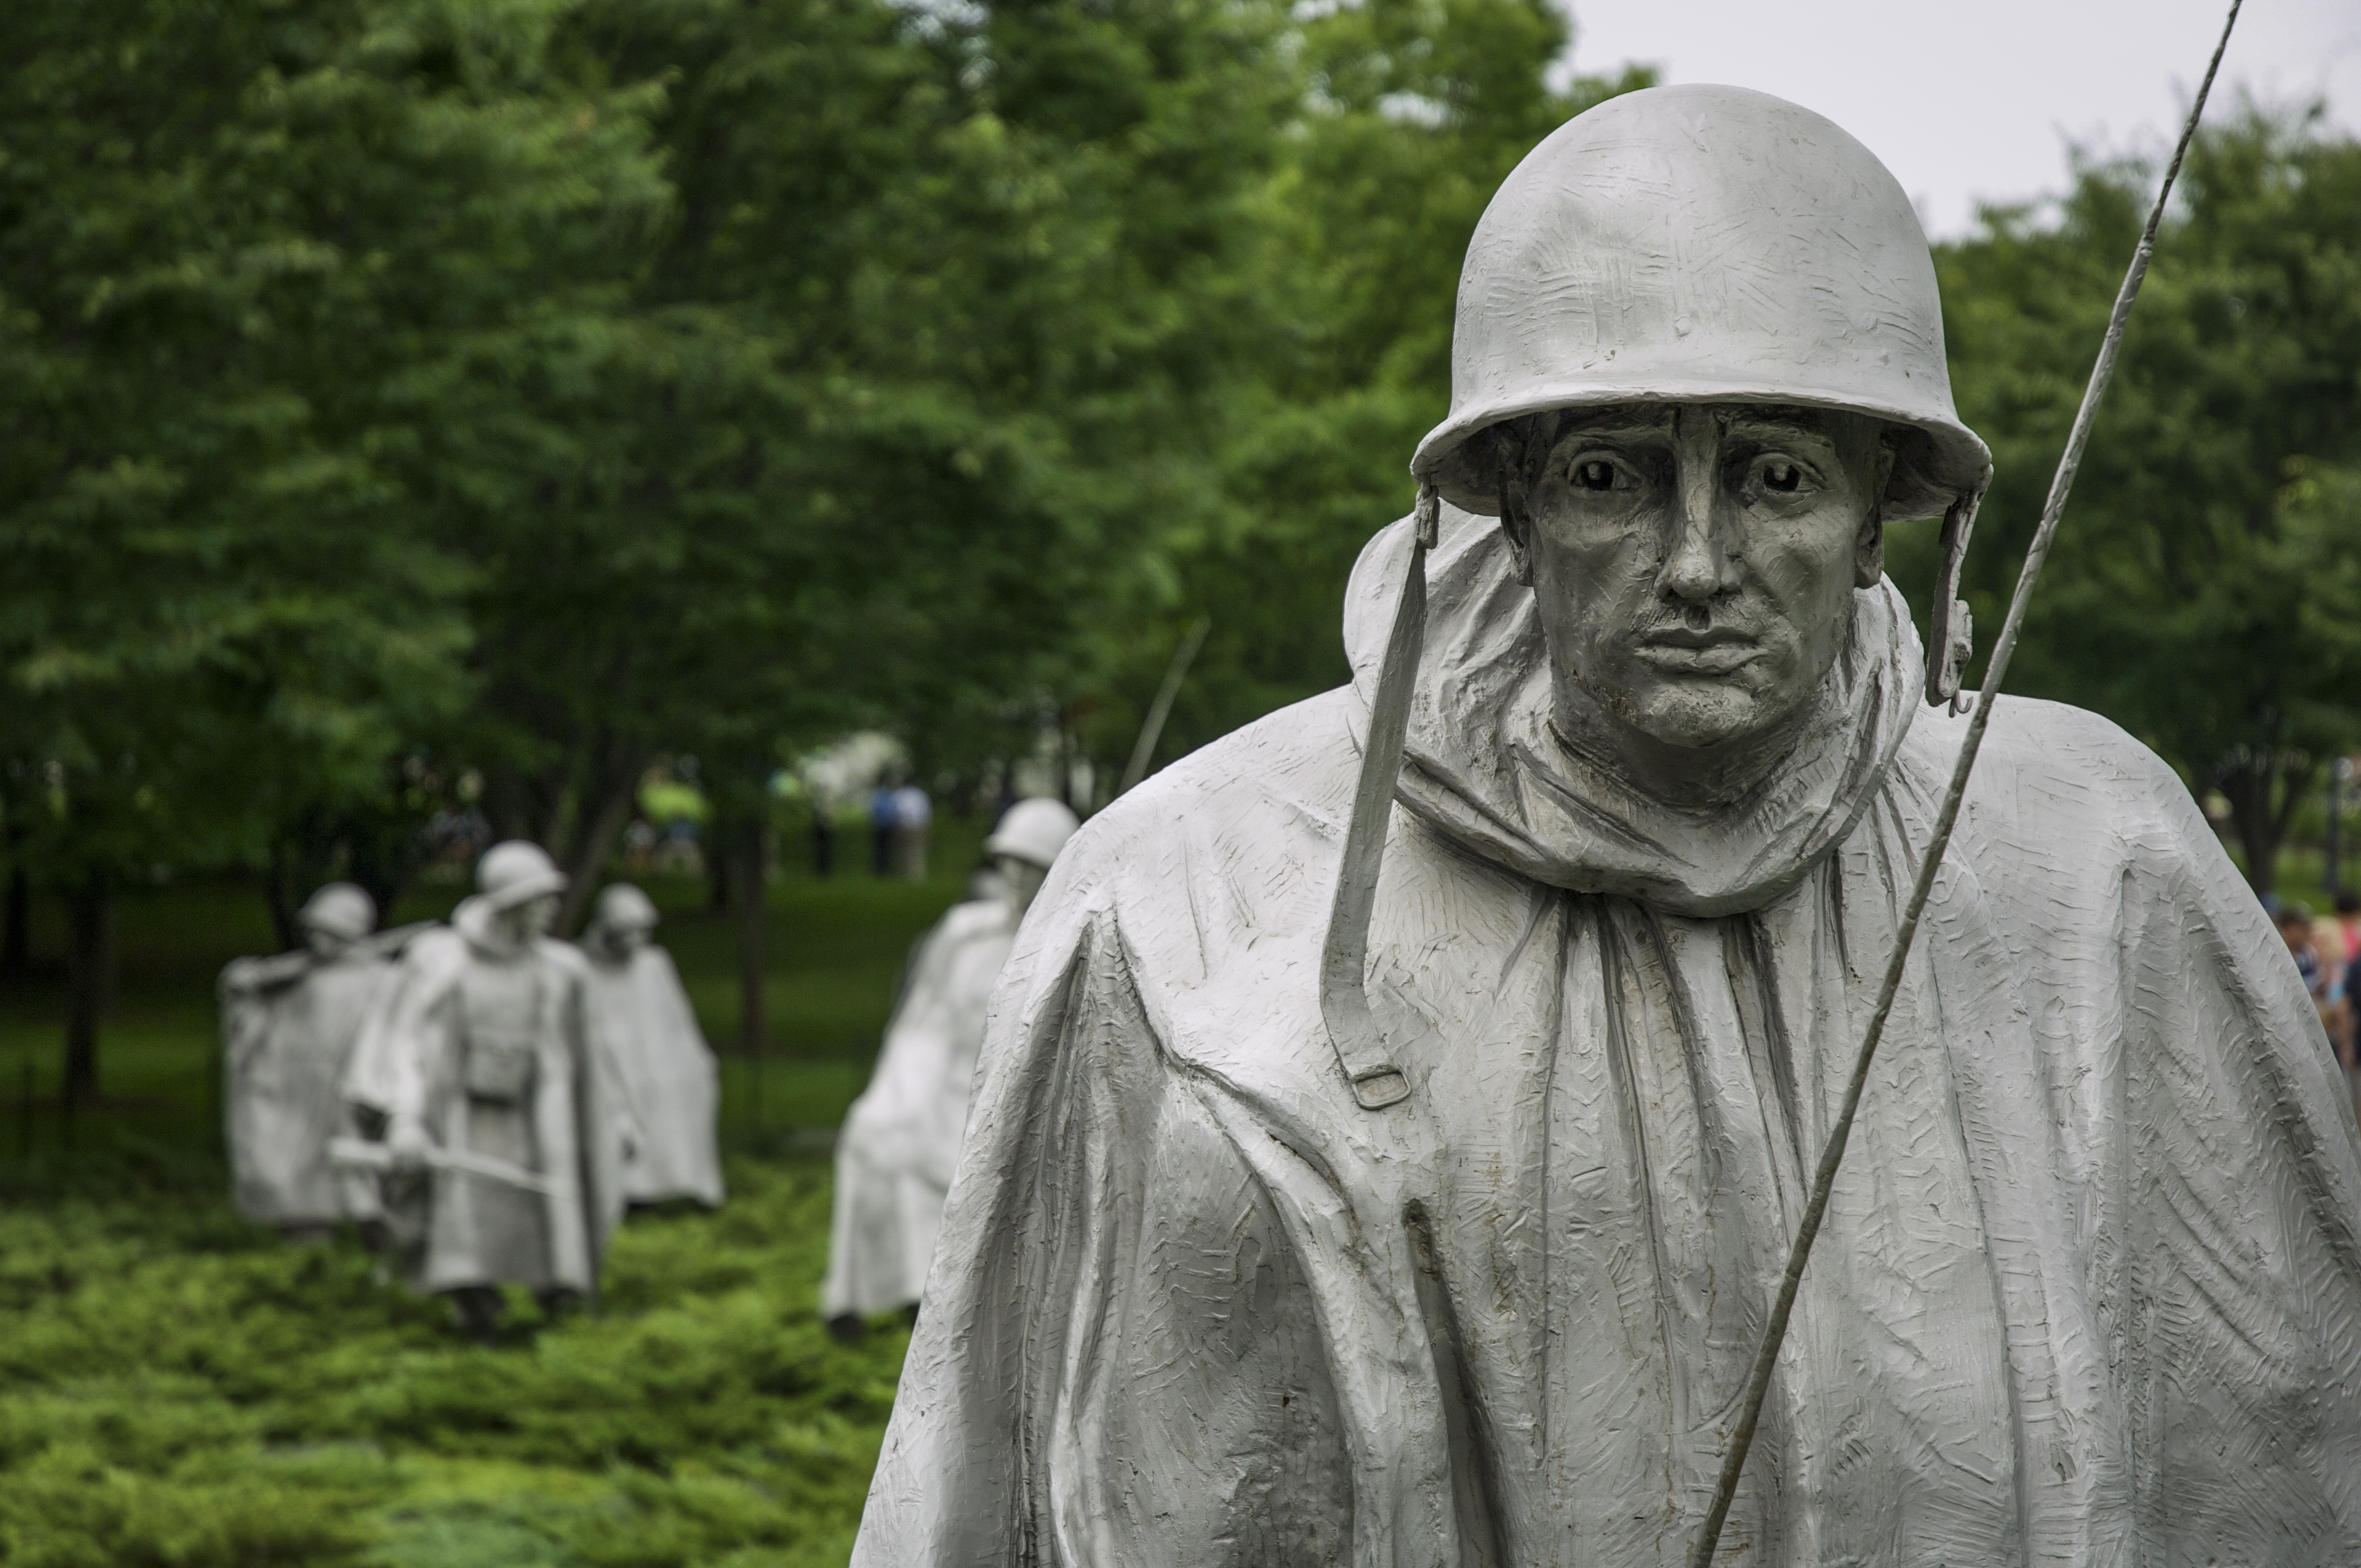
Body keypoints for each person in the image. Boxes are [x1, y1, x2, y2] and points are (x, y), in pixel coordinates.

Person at [854, 88, 2361, 1564]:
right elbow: (985, 1495)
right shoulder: (1185, 895)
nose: (1698, 561)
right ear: (1506, 502)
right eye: (1610, 477)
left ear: (1888, 515)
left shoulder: (2099, 866)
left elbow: (2282, 1451)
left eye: (1775, 477)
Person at [820, 797, 1079, 1342]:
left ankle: (941, 1304)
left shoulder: (1069, 940)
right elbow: (923, 1020)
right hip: (935, 1080)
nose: (1014, 874)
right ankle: (867, 1295)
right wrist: (899, 1092)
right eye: (1007, 860)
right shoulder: (966, 932)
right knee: (871, 1135)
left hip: (1009, 1103)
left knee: (940, 1166)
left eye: (1030, 863)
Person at [344, 841, 621, 1341]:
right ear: (508, 905)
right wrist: (406, 1120)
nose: (551, 912)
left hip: (538, 1114)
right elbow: (407, 1046)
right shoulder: (441, 962)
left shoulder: (562, 969)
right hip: (463, 1115)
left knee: (550, 1208)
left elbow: (591, 1061)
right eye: (538, 902)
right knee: (467, 1219)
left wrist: (616, 1119)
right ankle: (476, 1311)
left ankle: (560, 1306)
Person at [218, 883, 411, 1242]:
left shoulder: (383, 979)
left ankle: (378, 1236)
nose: (317, 940)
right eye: (315, 931)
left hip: (351, 1088)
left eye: (328, 931)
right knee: (293, 1168)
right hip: (296, 1090)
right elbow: (259, 1026)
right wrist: (242, 990)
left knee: (361, 1172)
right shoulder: (298, 977)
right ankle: (308, 1235)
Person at [580, 883, 725, 1208]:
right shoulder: (584, 967)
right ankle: (632, 1189)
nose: (638, 940)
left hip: (658, 1055)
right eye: (629, 931)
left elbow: (676, 1020)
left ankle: (682, 1182)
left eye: (643, 931)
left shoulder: (654, 964)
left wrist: (696, 1059)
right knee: (629, 1091)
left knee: (688, 1081)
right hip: (609, 1059)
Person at [890, 781, 932, 882]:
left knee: (904, 851)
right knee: (917, 851)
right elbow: (926, 812)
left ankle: (907, 873)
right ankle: (916, 874)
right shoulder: (920, 794)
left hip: (904, 826)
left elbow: (896, 812)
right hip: (917, 826)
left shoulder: (899, 794)